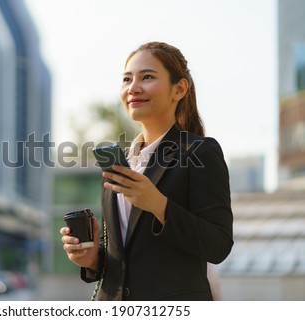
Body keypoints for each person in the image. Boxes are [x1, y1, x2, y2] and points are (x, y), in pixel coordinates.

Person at [60, 41, 233, 301]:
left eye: (147, 77)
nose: (133, 88)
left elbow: (218, 245)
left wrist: (159, 205)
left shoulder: (199, 151)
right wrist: (92, 258)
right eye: (127, 79)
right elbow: (125, 258)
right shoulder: (118, 162)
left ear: (179, 89)